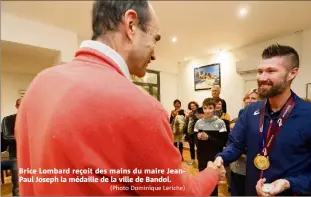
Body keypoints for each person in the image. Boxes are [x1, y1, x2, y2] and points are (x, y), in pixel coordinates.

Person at [15, 1, 225, 195]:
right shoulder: (141, 106)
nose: (154, 55)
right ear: (131, 25)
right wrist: (212, 174)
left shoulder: (38, 86)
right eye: (154, 39)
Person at [214, 44, 311, 196]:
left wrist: (289, 183)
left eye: (271, 71)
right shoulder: (250, 111)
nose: (262, 78)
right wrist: (221, 158)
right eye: (260, 71)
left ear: (292, 73)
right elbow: (235, 144)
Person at [229, 89, 260, 196]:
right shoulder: (242, 113)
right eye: (248, 98)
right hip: (240, 154)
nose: (249, 101)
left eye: (253, 98)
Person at [195, 98, 228, 196]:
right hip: (202, 157)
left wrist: (208, 137)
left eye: (210, 108)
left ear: (214, 109)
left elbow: (222, 142)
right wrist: (198, 137)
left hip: (214, 157)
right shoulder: (198, 123)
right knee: (203, 182)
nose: (207, 111)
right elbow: (196, 141)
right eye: (205, 108)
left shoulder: (220, 123)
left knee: (213, 184)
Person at [1, 98, 21, 196]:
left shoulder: (34, 119)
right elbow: (7, 137)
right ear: (17, 106)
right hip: (16, 155)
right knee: (18, 187)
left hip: (34, 156)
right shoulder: (8, 119)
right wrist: (27, 136)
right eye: (20, 105)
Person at [184, 101, 199, 165]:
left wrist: (191, 115)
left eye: (193, 106)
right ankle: (192, 159)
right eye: (191, 106)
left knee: (198, 147)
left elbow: (198, 119)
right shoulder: (189, 114)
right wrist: (185, 132)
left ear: (196, 106)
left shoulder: (198, 113)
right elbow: (186, 123)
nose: (192, 107)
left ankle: (199, 160)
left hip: (196, 133)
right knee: (191, 147)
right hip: (189, 133)